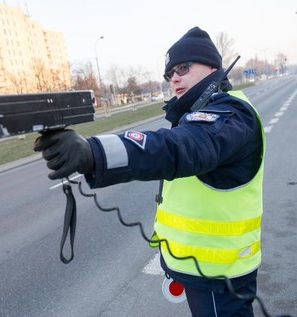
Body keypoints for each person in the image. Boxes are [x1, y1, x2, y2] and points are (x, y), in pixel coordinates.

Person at [34, 26, 265, 317]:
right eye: (169, 74)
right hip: (201, 268)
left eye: (183, 67)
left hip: (219, 275)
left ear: (213, 67)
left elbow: (179, 148)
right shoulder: (193, 115)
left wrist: (94, 153)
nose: (175, 78)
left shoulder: (229, 112)